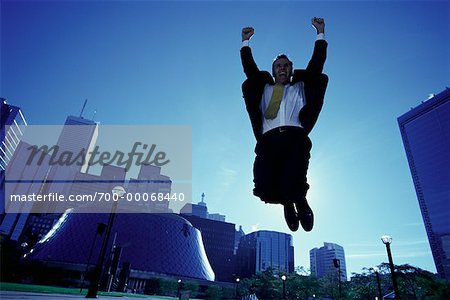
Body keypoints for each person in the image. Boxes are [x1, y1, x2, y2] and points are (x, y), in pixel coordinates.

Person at [240, 17, 328, 232]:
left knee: (293, 179)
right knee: (263, 188)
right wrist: (245, 43)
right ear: (273, 71)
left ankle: (300, 202)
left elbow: (316, 65)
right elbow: (250, 70)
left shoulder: (300, 87)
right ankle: (288, 203)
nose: (282, 68)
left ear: (291, 70)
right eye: (278, 66)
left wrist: (320, 34)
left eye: (286, 65)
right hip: (268, 141)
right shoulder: (264, 89)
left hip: (295, 138)